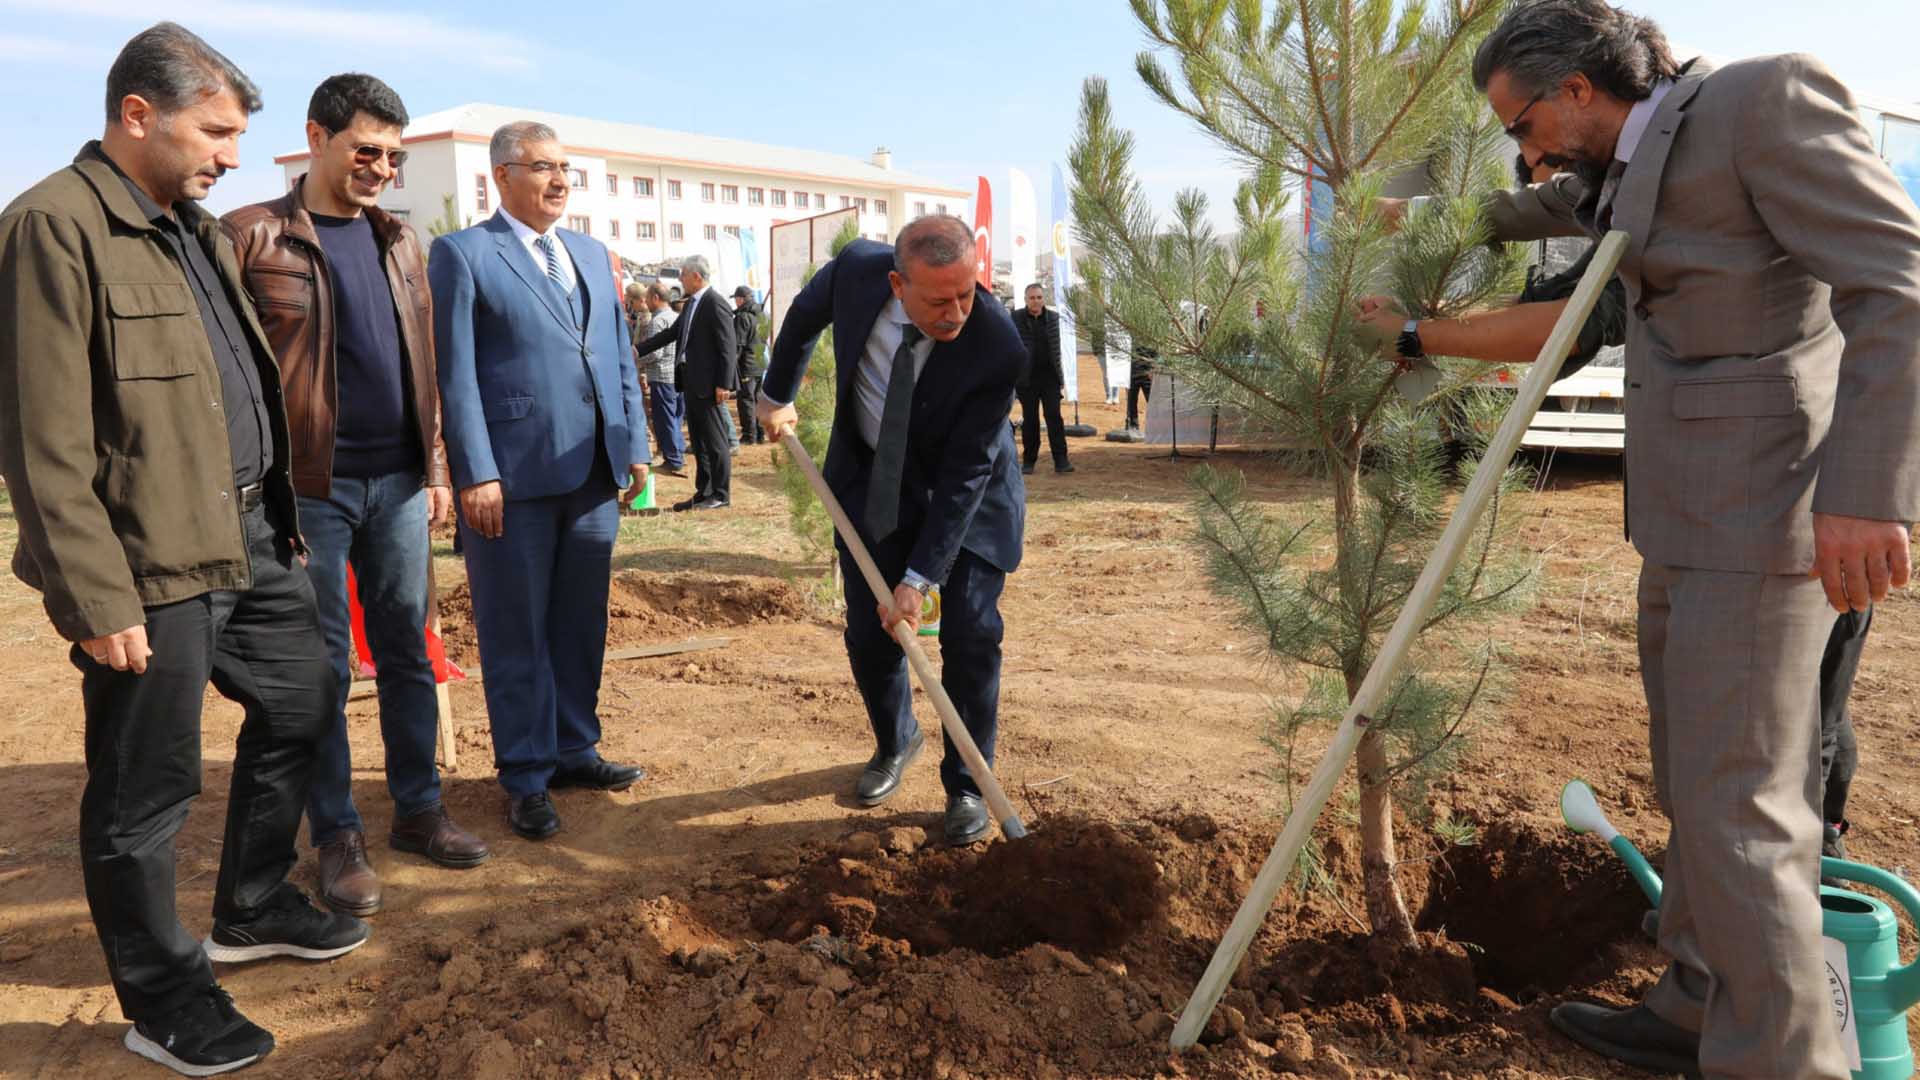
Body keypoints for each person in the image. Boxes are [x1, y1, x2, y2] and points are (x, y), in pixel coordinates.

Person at [1408, 3, 1920, 1075]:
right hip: (1684, 520)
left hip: (1770, 517)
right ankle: (1698, 999)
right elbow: (1539, 203)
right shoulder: (1624, 157)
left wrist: (1869, 493)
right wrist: (1404, 214)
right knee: (1692, 780)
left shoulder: (1757, 102)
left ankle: (1778, 1059)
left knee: (1743, 810)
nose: (1524, 147)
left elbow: (1898, 287)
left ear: (1580, 90)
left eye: (1522, 120)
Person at [0, 23, 373, 1075]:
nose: (230, 154)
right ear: (136, 115)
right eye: (214, 131)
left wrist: (280, 524)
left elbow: (234, 387)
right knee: (144, 789)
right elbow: (41, 438)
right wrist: (93, 592)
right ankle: (163, 999)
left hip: (250, 537)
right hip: (146, 563)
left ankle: (252, 907)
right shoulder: (52, 228)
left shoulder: (194, 227)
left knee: (303, 702)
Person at [224, 73, 489, 919]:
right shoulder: (250, 237)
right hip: (310, 494)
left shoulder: (402, 241)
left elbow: (427, 366)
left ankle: (419, 811)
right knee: (325, 667)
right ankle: (335, 835)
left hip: (403, 484)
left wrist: (438, 470)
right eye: (365, 150)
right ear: (317, 137)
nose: (380, 167)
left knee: (409, 651)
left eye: (392, 155)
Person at [757, 215, 1026, 846]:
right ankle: (896, 738)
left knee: (970, 634)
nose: (957, 312)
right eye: (939, 300)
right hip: (873, 485)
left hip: (970, 500)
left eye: (967, 293)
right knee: (871, 632)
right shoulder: (854, 274)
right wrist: (775, 392)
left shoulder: (998, 345)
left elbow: (967, 473)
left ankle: (966, 782)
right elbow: (803, 314)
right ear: (897, 283)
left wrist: (919, 577)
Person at [428, 120, 652, 842]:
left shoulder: (588, 252)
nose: (559, 180)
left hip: (592, 470)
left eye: (565, 168)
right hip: (511, 482)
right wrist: (475, 471)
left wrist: (634, 444)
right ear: (501, 176)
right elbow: (454, 373)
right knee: (515, 628)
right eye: (542, 167)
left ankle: (573, 749)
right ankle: (524, 774)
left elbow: (618, 354)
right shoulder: (464, 254)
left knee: (580, 621)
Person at [636, 255, 736, 509]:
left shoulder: (715, 303)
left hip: (709, 384)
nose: (679, 279)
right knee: (699, 441)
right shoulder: (692, 304)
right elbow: (671, 334)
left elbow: (728, 345)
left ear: (696, 277)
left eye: (683, 274)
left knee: (715, 442)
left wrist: (724, 383)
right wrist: (638, 349)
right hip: (690, 382)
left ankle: (721, 495)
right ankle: (704, 492)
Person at [1010, 283, 1074, 474]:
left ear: (1043, 299)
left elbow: (1056, 350)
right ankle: (1029, 461)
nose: (1036, 301)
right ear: (1025, 299)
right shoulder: (1016, 318)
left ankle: (1061, 460)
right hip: (1027, 378)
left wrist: (1061, 378)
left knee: (1054, 417)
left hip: (1050, 377)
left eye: (1039, 297)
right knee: (1030, 420)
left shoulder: (1053, 318)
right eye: (1032, 298)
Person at [632, 281, 686, 475]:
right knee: (676, 417)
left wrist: (637, 360)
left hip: (662, 376)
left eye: (647, 298)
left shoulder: (658, 321)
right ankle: (678, 452)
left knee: (665, 419)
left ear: (655, 298)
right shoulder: (677, 317)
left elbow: (655, 352)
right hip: (677, 375)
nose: (645, 301)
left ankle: (673, 459)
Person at [731, 285, 766, 444]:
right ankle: (760, 433)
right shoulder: (763, 315)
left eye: (736, 299)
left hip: (747, 365)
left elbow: (738, 344)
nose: (735, 302)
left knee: (746, 399)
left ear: (741, 299)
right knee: (757, 400)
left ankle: (748, 435)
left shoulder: (743, 317)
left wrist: (731, 365)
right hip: (760, 362)